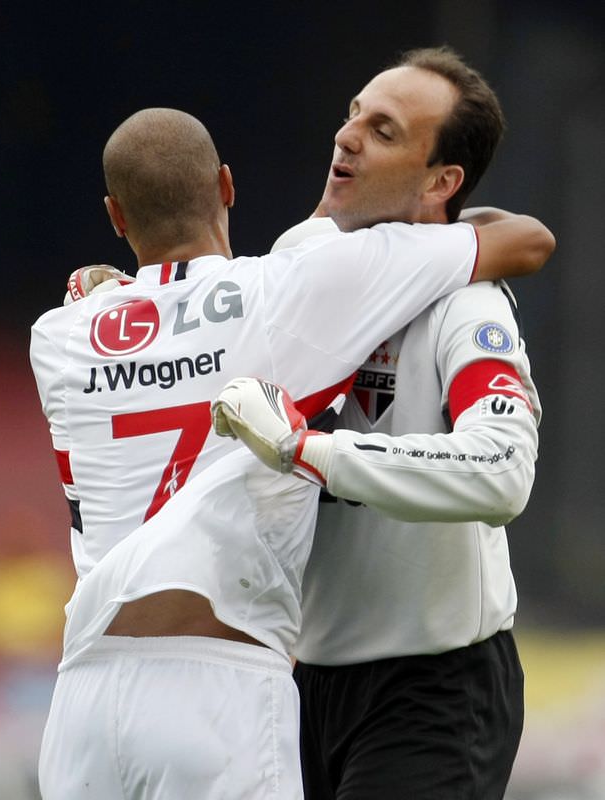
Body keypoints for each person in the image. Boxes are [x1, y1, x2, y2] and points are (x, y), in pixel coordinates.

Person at [30, 106, 552, 799]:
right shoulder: (283, 294)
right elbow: (525, 240)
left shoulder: (58, 335)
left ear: (115, 217)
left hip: (82, 703)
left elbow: (164, 331)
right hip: (217, 685)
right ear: (227, 186)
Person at [213, 46, 550, 799]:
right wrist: (132, 295)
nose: (347, 136)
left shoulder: (470, 304)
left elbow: (503, 471)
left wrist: (309, 450)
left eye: (384, 130)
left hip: (434, 690)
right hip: (301, 683)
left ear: (441, 183)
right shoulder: (303, 254)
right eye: (353, 115)